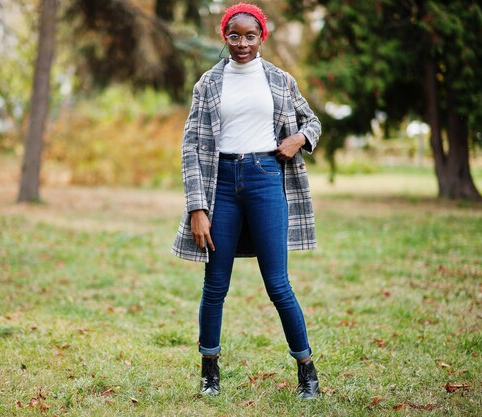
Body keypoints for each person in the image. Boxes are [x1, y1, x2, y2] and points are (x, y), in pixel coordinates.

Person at [171, 3, 321, 400]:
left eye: (249, 36)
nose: (241, 44)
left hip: (266, 180)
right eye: (234, 36)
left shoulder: (280, 80)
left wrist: (299, 139)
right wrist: (196, 207)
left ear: (261, 37)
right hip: (221, 184)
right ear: (225, 36)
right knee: (215, 284)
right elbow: (192, 146)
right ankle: (209, 371)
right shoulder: (208, 83)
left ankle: (307, 370)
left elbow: (313, 121)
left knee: (278, 284)